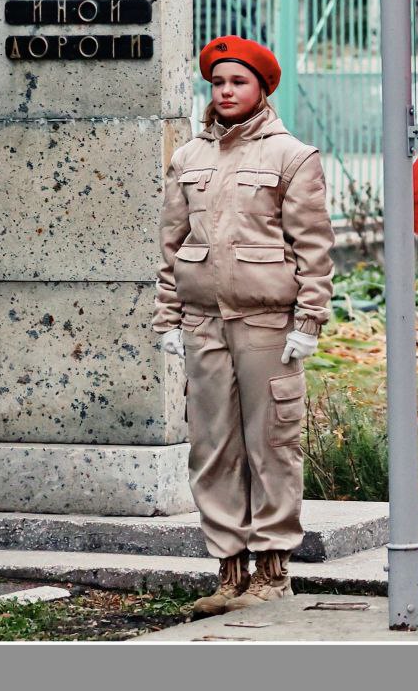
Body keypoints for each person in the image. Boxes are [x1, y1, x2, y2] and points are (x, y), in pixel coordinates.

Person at [153, 36, 335, 615]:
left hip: (267, 325)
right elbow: (170, 245)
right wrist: (167, 317)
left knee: (272, 444)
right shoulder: (188, 159)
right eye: (218, 82)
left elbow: (314, 249)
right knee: (212, 446)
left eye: (238, 82)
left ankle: (273, 572)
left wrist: (309, 319)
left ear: (262, 89)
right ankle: (229, 573)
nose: (226, 92)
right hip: (205, 322)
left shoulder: (292, 157)